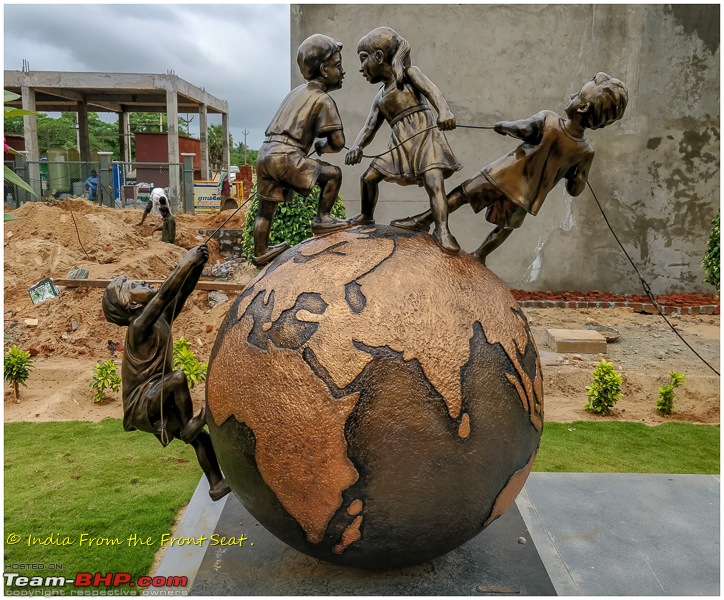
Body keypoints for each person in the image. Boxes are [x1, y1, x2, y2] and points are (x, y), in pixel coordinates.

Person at [392, 72, 628, 265]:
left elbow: (521, 128)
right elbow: (575, 189)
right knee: (504, 228)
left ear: (583, 108)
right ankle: (480, 255)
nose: (572, 94)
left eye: (577, 95)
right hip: (525, 197)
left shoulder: (549, 119)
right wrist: (576, 176)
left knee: (462, 195)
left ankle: (424, 219)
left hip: (502, 175)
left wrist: (503, 126)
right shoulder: (585, 152)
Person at [102, 244, 231, 501]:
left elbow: (180, 293)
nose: (142, 283)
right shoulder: (139, 326)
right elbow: (164, 293)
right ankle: (188, 426)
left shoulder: (160, 320)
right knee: (178, 378)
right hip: (142, 401)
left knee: (200, 439)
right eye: (134, 286)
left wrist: (197, 267)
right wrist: (187, 260)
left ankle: (216, 483)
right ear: (130, 307)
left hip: (159, 391)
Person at [345, 27, 462, 254]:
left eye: (363, 59)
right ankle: (366, 216)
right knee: (368, 178)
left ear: (379, 57)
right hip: (399, 144)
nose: (360, 68)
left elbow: (433, 91)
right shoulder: (379, 97)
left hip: (424, 136)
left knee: (434, 181)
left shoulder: (409, 75)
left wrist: (444, 112)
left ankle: (442, 229)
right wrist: (356, 146)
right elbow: (369, 126)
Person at [253, 33, 349, 267]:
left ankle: (260, 251)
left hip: (265, 153)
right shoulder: (323, 99)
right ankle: (323, 218)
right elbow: (337, 142)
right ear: (324, 69)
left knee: (266, 210)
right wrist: (322, 147)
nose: (343, 71)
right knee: (333, 175)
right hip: (286, 156)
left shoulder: (294, 93)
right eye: (338, 65)